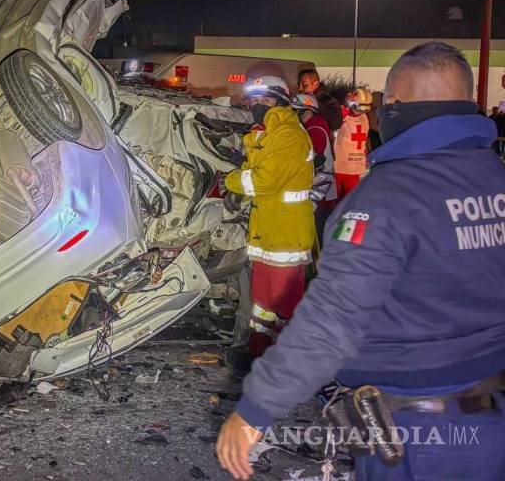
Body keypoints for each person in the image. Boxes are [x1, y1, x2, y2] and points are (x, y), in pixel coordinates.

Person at [216, 42, 505, 481]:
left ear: (396, 106)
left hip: (417, 437)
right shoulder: (494, 178)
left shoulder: (388, 198)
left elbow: (333, 319)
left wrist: (255, 408)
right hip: (490, 420)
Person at [221, 76, 315, 369]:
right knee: (262, 304)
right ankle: (259, 353)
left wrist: (229, 181)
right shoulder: (265, 133)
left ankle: (288, 362)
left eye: (266, 99)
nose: (258, 105)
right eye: (254, 100)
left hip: (286, 235)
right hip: (267, 233)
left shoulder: (288, 134)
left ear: (282, 101)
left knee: (284, 303)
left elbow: (264, 180)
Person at [290, 93, 336, 246]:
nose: (295, 115)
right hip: (316, 184)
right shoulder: (310, 126)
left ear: (310, 111)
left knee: (315, 229)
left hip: (318, 186)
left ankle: (317, 264)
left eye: (299, 112)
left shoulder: (315, 126)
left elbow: (311, 156)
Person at [333, 87, 372, 200]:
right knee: (335, 203)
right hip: (339, 168)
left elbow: (366, 139)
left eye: (364, 109)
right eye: (358, 107)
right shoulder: (341, 113)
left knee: (351, 202)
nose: (360, 111)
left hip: (357, 170)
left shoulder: (365, 117)